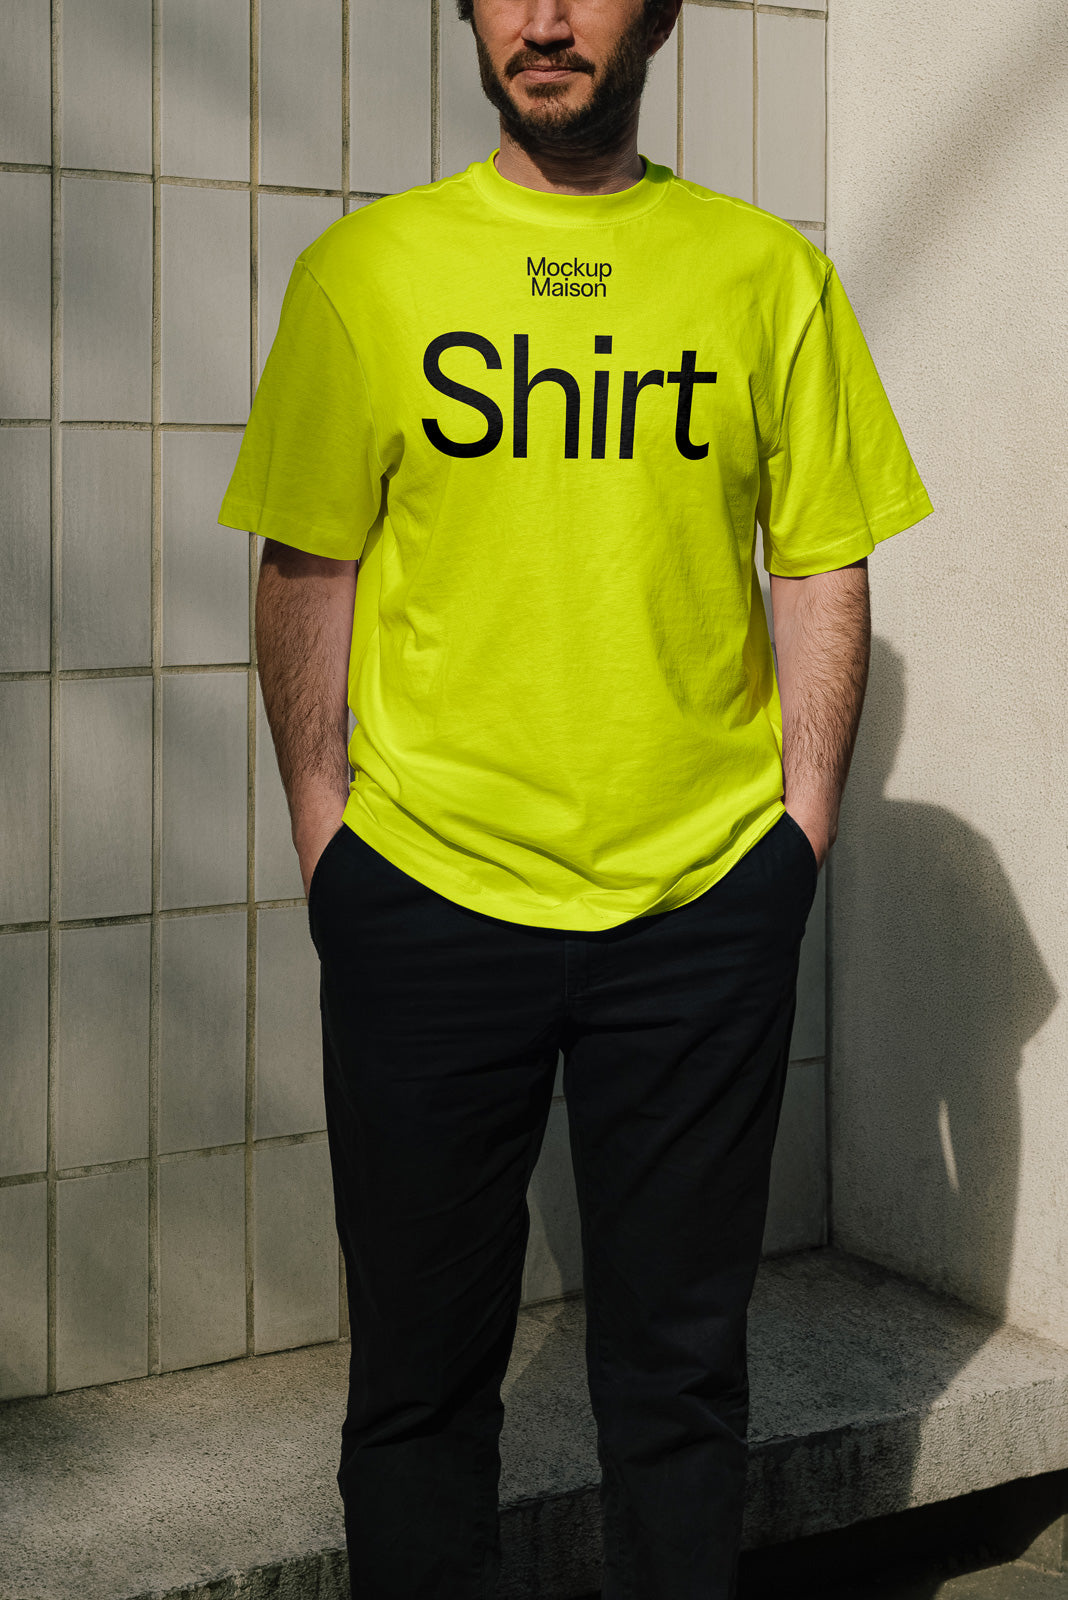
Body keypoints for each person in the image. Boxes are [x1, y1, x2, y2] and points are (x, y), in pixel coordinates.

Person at [217, 0, 933, 1593]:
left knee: (680, 1387)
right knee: (417, 1387)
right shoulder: (368, 274)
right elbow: (306, 561)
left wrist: (795, 837)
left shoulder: (767, 276)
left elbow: (820, 557)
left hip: (699, 909)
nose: (544, 18)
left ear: (664, 13)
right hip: (423, 898)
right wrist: (329, 846)